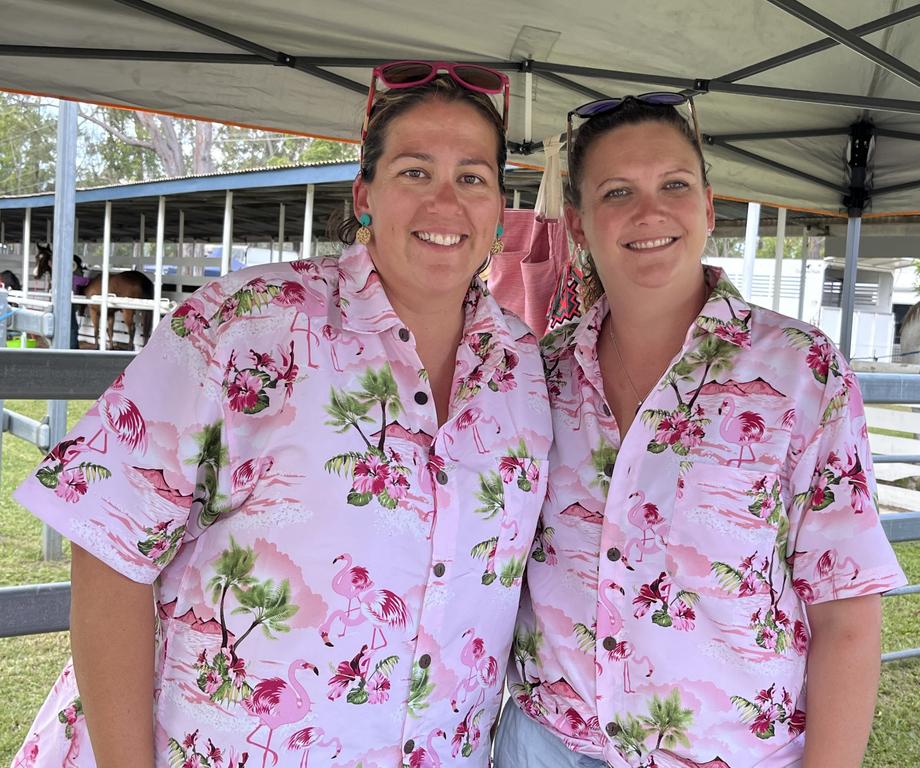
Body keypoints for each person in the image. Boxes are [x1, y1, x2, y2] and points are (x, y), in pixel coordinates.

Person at [11, 62, 551, 768]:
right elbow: (109, 545)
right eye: (415, 172)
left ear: (498, 212)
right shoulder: (245, 325)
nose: (445, 203)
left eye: (473, 178)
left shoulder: (524, 367)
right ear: (364, 195)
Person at [496, 94, 906, 768]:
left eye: (674, 185)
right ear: (578, 223)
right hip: (546, 745)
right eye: (618, 191)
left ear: (709, 208)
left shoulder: (799, 369)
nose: (649, 211)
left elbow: (848, 611)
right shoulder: (542, 371)